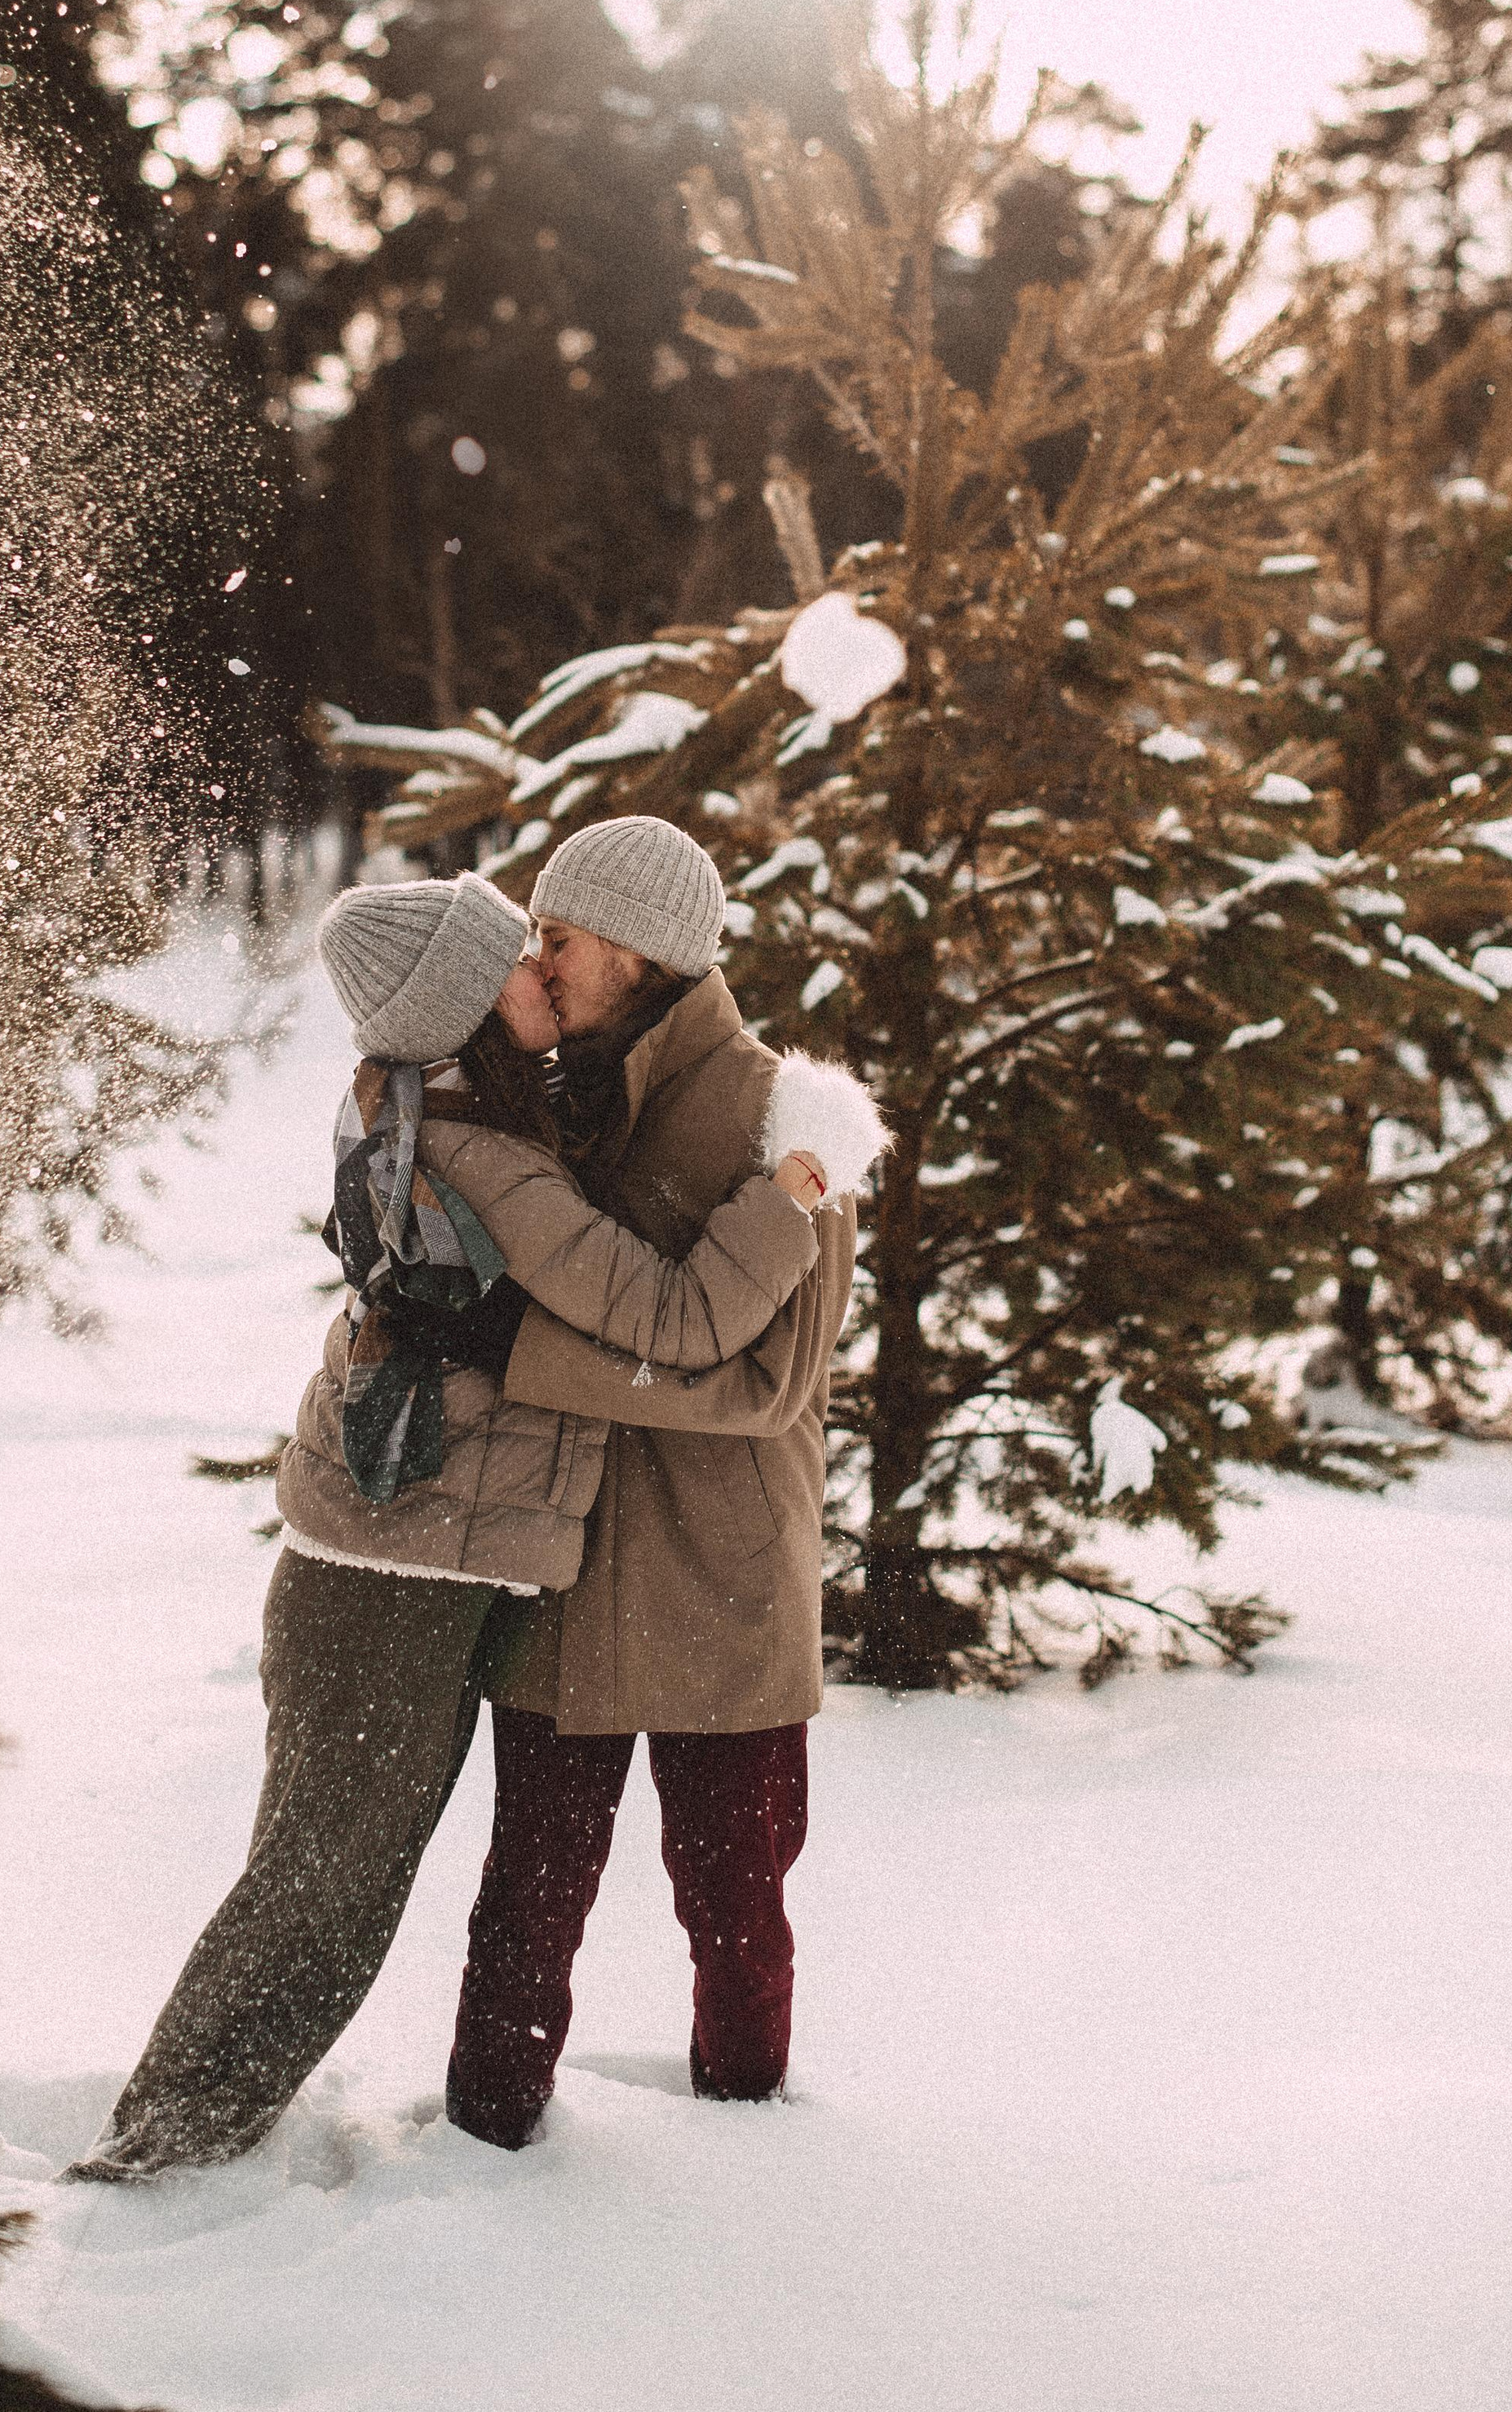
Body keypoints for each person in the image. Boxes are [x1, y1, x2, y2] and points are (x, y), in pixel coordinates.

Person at [66, 867, 862, 2184]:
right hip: (395, 1561)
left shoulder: (462, 1105)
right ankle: (156, 2154)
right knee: (326, 1887)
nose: (542, 972)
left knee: (336, 1878)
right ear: (462, 1006)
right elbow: (673, 1320)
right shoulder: (478, 1142)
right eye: (520, 956)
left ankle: (175, 2136)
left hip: (414, 1551)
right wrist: (789, 1194)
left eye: (555, 944)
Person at [435, 817, 877, 2151]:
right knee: (527, 1898)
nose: (537, 959)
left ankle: (749, 2182)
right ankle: (477, 2161)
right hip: (566, 1565)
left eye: (556, 936)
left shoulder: (787, 1122)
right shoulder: (543, 1089)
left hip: (726, 1584)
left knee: (735, 1905)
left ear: (628, 949)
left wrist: (527, 1356)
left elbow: (769, 1388)